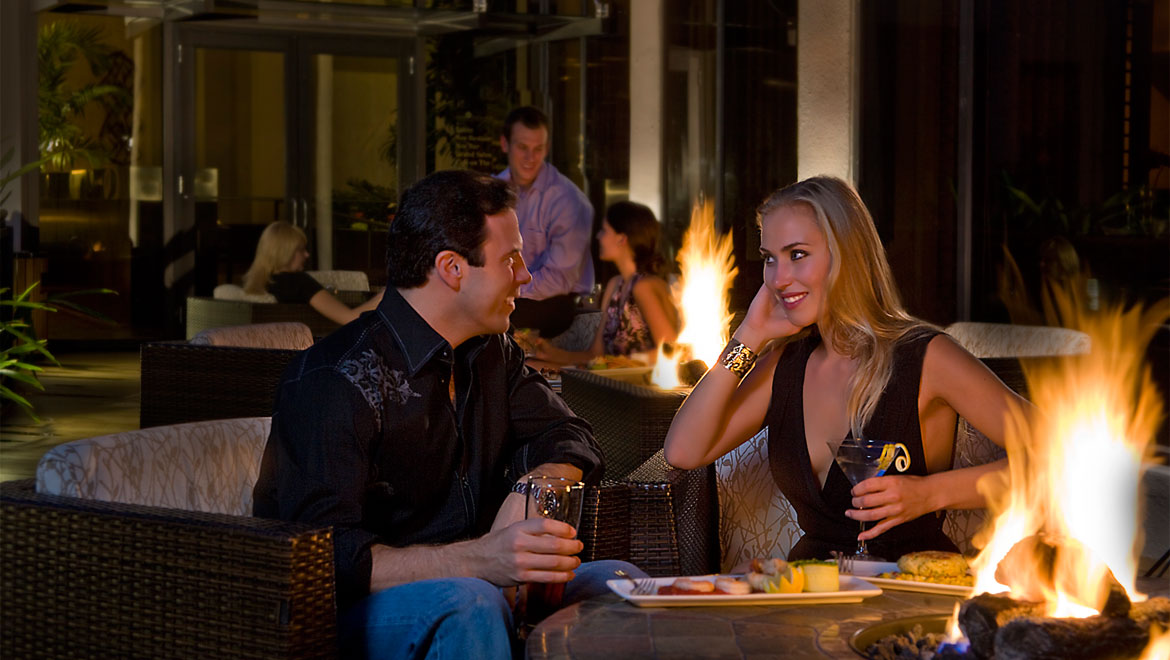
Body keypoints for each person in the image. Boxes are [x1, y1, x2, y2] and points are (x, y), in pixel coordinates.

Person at [252, 170, 643, 659]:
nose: (525, 274)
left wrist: (535, 488)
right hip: (340, 616)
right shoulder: (334, 379)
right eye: (510, 258)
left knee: (620, 582)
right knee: (472, 603)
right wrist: (484, 559)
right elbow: (326, 559)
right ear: (452, 268)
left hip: (477, 583)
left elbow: (569, 433)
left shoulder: (490, 353)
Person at [663, 176, 1028, 562]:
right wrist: (749, 335)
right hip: (808, 593)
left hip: (907, 593)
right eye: (770, 258)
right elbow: (684, 451)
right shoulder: (786, 365)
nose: (779, 278)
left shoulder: (926, 357)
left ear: (846, 255)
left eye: (797, 254)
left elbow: (1059, 458)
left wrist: (931, 493)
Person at [530, 200, 680, 366]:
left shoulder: (643, 286)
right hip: (610, 380)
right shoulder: (615, 285)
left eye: (604, 230)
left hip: (641, 385)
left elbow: (671, 351)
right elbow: (595, 355)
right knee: (530, 366)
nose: (598, 236)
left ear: (621, 238)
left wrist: (622, 363)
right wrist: (550, 354)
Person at [497, 106, 595, 338]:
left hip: (558, 303)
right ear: (505, 144)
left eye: (538, 149)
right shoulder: (494, 191)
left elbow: (559, 280)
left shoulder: (568, 200)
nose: (530, 158)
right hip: (511, 294)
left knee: (493, 317)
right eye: (522, 148)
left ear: (547, 149)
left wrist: (506, 291)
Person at [242, 220, 383, 325]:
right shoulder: (298, 282)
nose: (307, 255)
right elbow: (350, 319)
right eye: (301, 249)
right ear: (286, 252)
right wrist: (386, 295)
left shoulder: (262, 282)